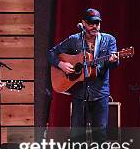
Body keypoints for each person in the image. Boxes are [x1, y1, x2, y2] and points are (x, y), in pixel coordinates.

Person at [48, 8, 119, 140]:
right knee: (77, 136)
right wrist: (61, 64)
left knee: (100, 136)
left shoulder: (109, 40)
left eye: (97, 23)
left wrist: (113, 60)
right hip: (80, 94)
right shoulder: (74, 40)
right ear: (83, 23)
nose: (95, 27)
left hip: (100, 94)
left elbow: (113, 65)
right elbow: (51, 53)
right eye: (91, 23)